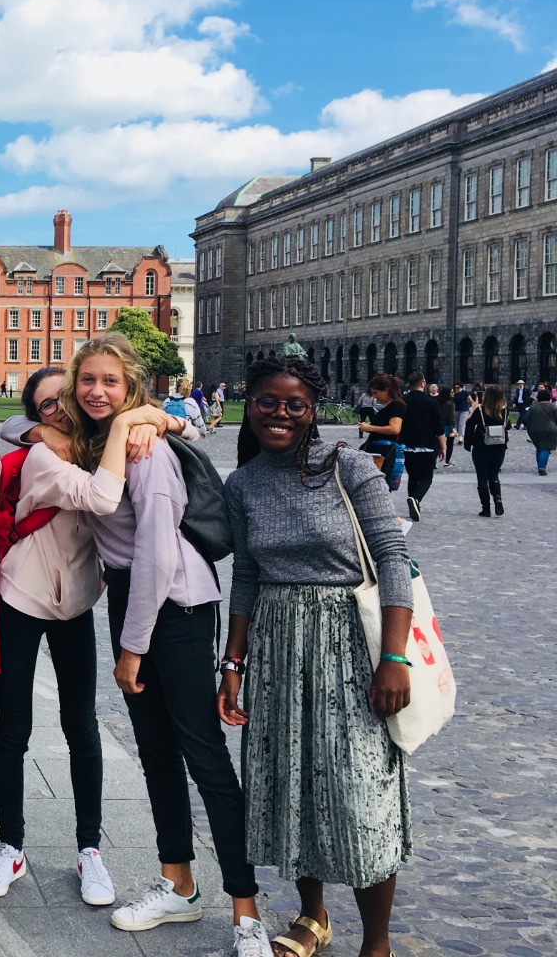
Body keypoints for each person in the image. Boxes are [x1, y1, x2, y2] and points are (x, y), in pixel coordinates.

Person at [66, 334, 270, 955]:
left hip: (174, 603)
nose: (96, 391)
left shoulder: (145, 452)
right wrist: (151, 412)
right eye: (87, 380)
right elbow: (23, 421)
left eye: (110, 382)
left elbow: (156, 550)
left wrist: (130, 647)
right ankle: (178, 883)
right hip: (134, 597)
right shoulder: (101, 440)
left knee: (203, 754)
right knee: (155, 750)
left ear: (130, 385)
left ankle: (246, 910)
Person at [221, 356, 414, 957]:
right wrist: (233, 666)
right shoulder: (243, 484)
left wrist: (394, 657)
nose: (279, 413)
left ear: (312, 412)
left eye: (294, 404)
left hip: (349, 642)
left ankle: (376, 942)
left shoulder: (348, 467)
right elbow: (246, 577)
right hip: (278, 647)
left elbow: (391, 558)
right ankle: (312, 915)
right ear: (249, 405)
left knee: (358, 791)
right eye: (267, 402)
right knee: (290, 782)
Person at [0, 366, 173, 907]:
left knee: (81, 725)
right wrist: (130, 417)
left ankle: (90, 848)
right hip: (22, 595)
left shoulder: (95, 442)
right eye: (45, 407)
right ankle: (11, 845)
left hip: (77, 600)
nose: (59, 410)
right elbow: (101, 497)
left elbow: (191, 428)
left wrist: (152, 418)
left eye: (63, 399)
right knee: (14, 726)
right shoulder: (44, 456)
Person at [398, 372, 442, 522]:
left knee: (413, 477)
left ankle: (414, 501)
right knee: (426, 477)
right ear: (423, 384)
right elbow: (439, 427)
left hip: (408, 446)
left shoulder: (403, 401)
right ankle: (416, 499)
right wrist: (443, 447)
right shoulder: (431, 402)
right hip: (427, 445)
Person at [465, 385, 509, 516]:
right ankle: (498, 499)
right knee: (494, 475)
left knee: (482, 477)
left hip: (481, 447)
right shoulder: (504, 412)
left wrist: (468, 443)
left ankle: (486, 508)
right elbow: (508, 427)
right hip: (499, 448)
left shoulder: (480, 411)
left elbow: (469, 425)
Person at [356, 374, 405, 489]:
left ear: (386, 391)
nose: (374, 397)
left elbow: (394, 429)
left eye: (375, 393)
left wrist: (370, 428)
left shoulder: (396, 405)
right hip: (379, 449)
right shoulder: (389, 406)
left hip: (384, 451)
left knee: (379, 485)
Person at [525, 388, 557, 475]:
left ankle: (539, 465)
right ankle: (542, 467)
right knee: (545, 448)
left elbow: (525, 419)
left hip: (534, 431)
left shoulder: (532, 407)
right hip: (549, 430)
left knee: (539, 447)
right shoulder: (553, 407)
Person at [438, 386, 457, 466]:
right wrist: (453, 427)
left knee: (437, 443)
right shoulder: (451, 403)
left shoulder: (439, 401)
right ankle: (447, 462)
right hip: (449, 425)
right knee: (450, 444)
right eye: (452, 392)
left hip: (440, 424)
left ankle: (434, 463)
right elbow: (451, 416)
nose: (453, 393)